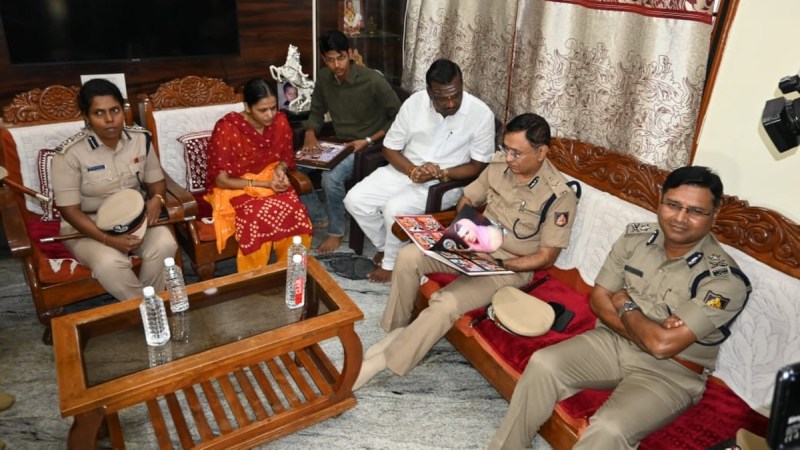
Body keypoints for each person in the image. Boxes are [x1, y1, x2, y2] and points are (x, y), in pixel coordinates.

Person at [489, 166, 751, 449]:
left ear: (715, 213)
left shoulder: (724, 281)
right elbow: (599, 299)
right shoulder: (635, 238)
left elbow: (662, 347)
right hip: (611, 341)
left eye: (695, 211)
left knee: (610, 429)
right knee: (543, 364)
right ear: (660, 200)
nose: (680, 218)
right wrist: (648, 332)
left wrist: (624, 302)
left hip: (672, 372)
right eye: (673, 205)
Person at [354, 113, 579, 389]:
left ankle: (386, 361)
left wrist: (497, 262)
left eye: (517, 153)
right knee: (408, 256)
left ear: (541, 152)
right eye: (506, 149)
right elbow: (468, 197)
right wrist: (467, 232)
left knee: (446, 303)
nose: (509, 158)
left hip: (509, 266)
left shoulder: (559, 196)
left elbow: (546, 258)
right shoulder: (499, 165)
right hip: (476, 243)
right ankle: (397, 329)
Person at [344, 58, 496, 282]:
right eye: (442, 98)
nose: (451, 103)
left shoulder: (481, 114)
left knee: (395, 208)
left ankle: (391, 264)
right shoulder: (415, 103)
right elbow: (390, 148)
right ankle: (386, 247)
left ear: (462, 85)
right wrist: (412, 171)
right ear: (430, 92)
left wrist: (441, 173)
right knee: (355, 200)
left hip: (444, 183)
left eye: (456, 95)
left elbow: (477, 166)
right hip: (404, 169)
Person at [52, 78, 177, 301]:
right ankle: (147, 308)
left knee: (165, 244)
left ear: (122, 110)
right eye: (99, 113)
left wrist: (157, 199)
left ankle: (152, 304)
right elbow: (69, 210)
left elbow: (156, 181)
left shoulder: (140, 139)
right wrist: (108, 240)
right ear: (86, 117)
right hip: (88, 225)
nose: (109, 119)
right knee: (111, 263)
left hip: (136, 219)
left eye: (115, 110)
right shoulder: (69, 154)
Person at [299, 30, 401, 254]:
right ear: (323, 59)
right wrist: (310, 133)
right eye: (330, 60)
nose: (337, 65)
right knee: (292, 166)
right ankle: (320, 217)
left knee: (331, 178)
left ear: (350, 54)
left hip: (368, 147)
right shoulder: (324, 78)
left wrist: (368, 139)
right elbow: (316, 111)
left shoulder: (372, 80)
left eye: (341, 58)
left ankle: (336, 232)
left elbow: (399, 117)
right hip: (338, 144)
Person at [205, 78, 312, 272]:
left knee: (294, 209)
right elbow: (222, 180)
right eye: (263, 110)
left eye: (273, 108)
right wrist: (264, 185)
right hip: (235, 187)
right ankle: (254, 277)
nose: (270, 115)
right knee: (256, 215)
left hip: (270, 180)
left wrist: (280, 169)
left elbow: (286, 157)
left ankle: (291, 271)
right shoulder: (227, 127)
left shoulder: (280, 121)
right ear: (247, 107)